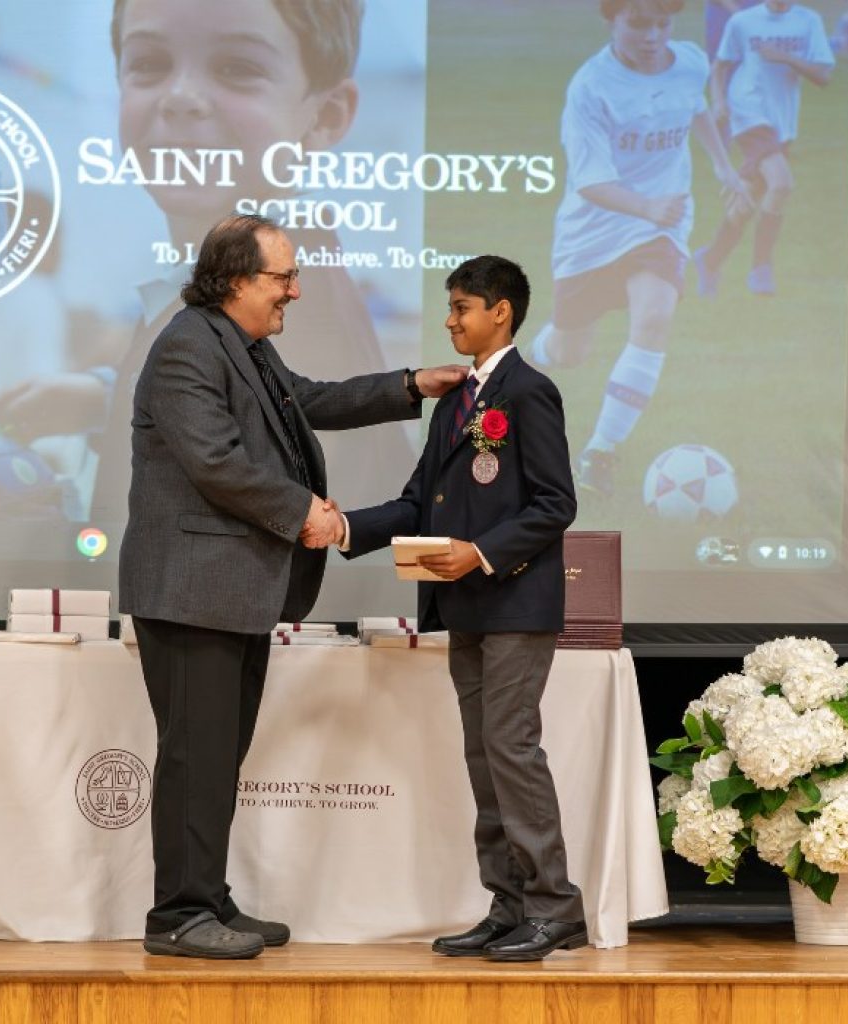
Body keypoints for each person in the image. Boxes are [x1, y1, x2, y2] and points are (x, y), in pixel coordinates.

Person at [119, 212, 463, 959]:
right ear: (236, 279)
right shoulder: (186, 348)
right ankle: (177, 916)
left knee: (219, 753)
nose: (296, 292)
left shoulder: (239, 346)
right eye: (283, 278)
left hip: (228, 593)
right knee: (194, 754)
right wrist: (301, 510)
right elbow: (214, 461)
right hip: (190, 591)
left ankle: (206, 898)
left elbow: (309, 401)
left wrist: (411, 384)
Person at [0, 0, 415, 520]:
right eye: (149, 64)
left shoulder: (284, 303)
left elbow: (243, 487)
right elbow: (230, 401)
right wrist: (104, 397)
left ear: (325, 117)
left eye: (238, 69)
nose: (180, 99)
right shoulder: (222, 277)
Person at [319, 254, 587, 962]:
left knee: (510, 749)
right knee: (483, 757)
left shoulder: (530, 392)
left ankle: (556, 908)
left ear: (500, 311)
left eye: (462, 306)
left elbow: (557, 503)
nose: (449, 319)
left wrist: (482, 551)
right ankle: (508, 905)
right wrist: (345, 527)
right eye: (450, 306)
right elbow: (416, 501)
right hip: (464, 605)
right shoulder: (454, 403)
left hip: (516, 600)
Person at [528, 0, 750, 499]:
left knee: (654, 318)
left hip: (661, 227)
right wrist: (647, 207)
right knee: (570, 351)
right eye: (639, 24)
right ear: (613, 20)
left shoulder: (689, 60)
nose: (653, 36)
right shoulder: (590, 87)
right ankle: (531, 356)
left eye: (663, 24)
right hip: (594, 230)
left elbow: (694, 108)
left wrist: (723, 167)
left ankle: (600, 451)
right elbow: (589, 182)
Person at [693, 0, 835, 298]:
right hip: (747, 109)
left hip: (782, 119)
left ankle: (710, 260)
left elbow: (823, 75)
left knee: (745, 200)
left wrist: (787, 58)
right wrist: (719, 102)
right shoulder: (744, 21)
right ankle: (761, 268)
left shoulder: (808, 21)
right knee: (781, 184)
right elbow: (720, 65)